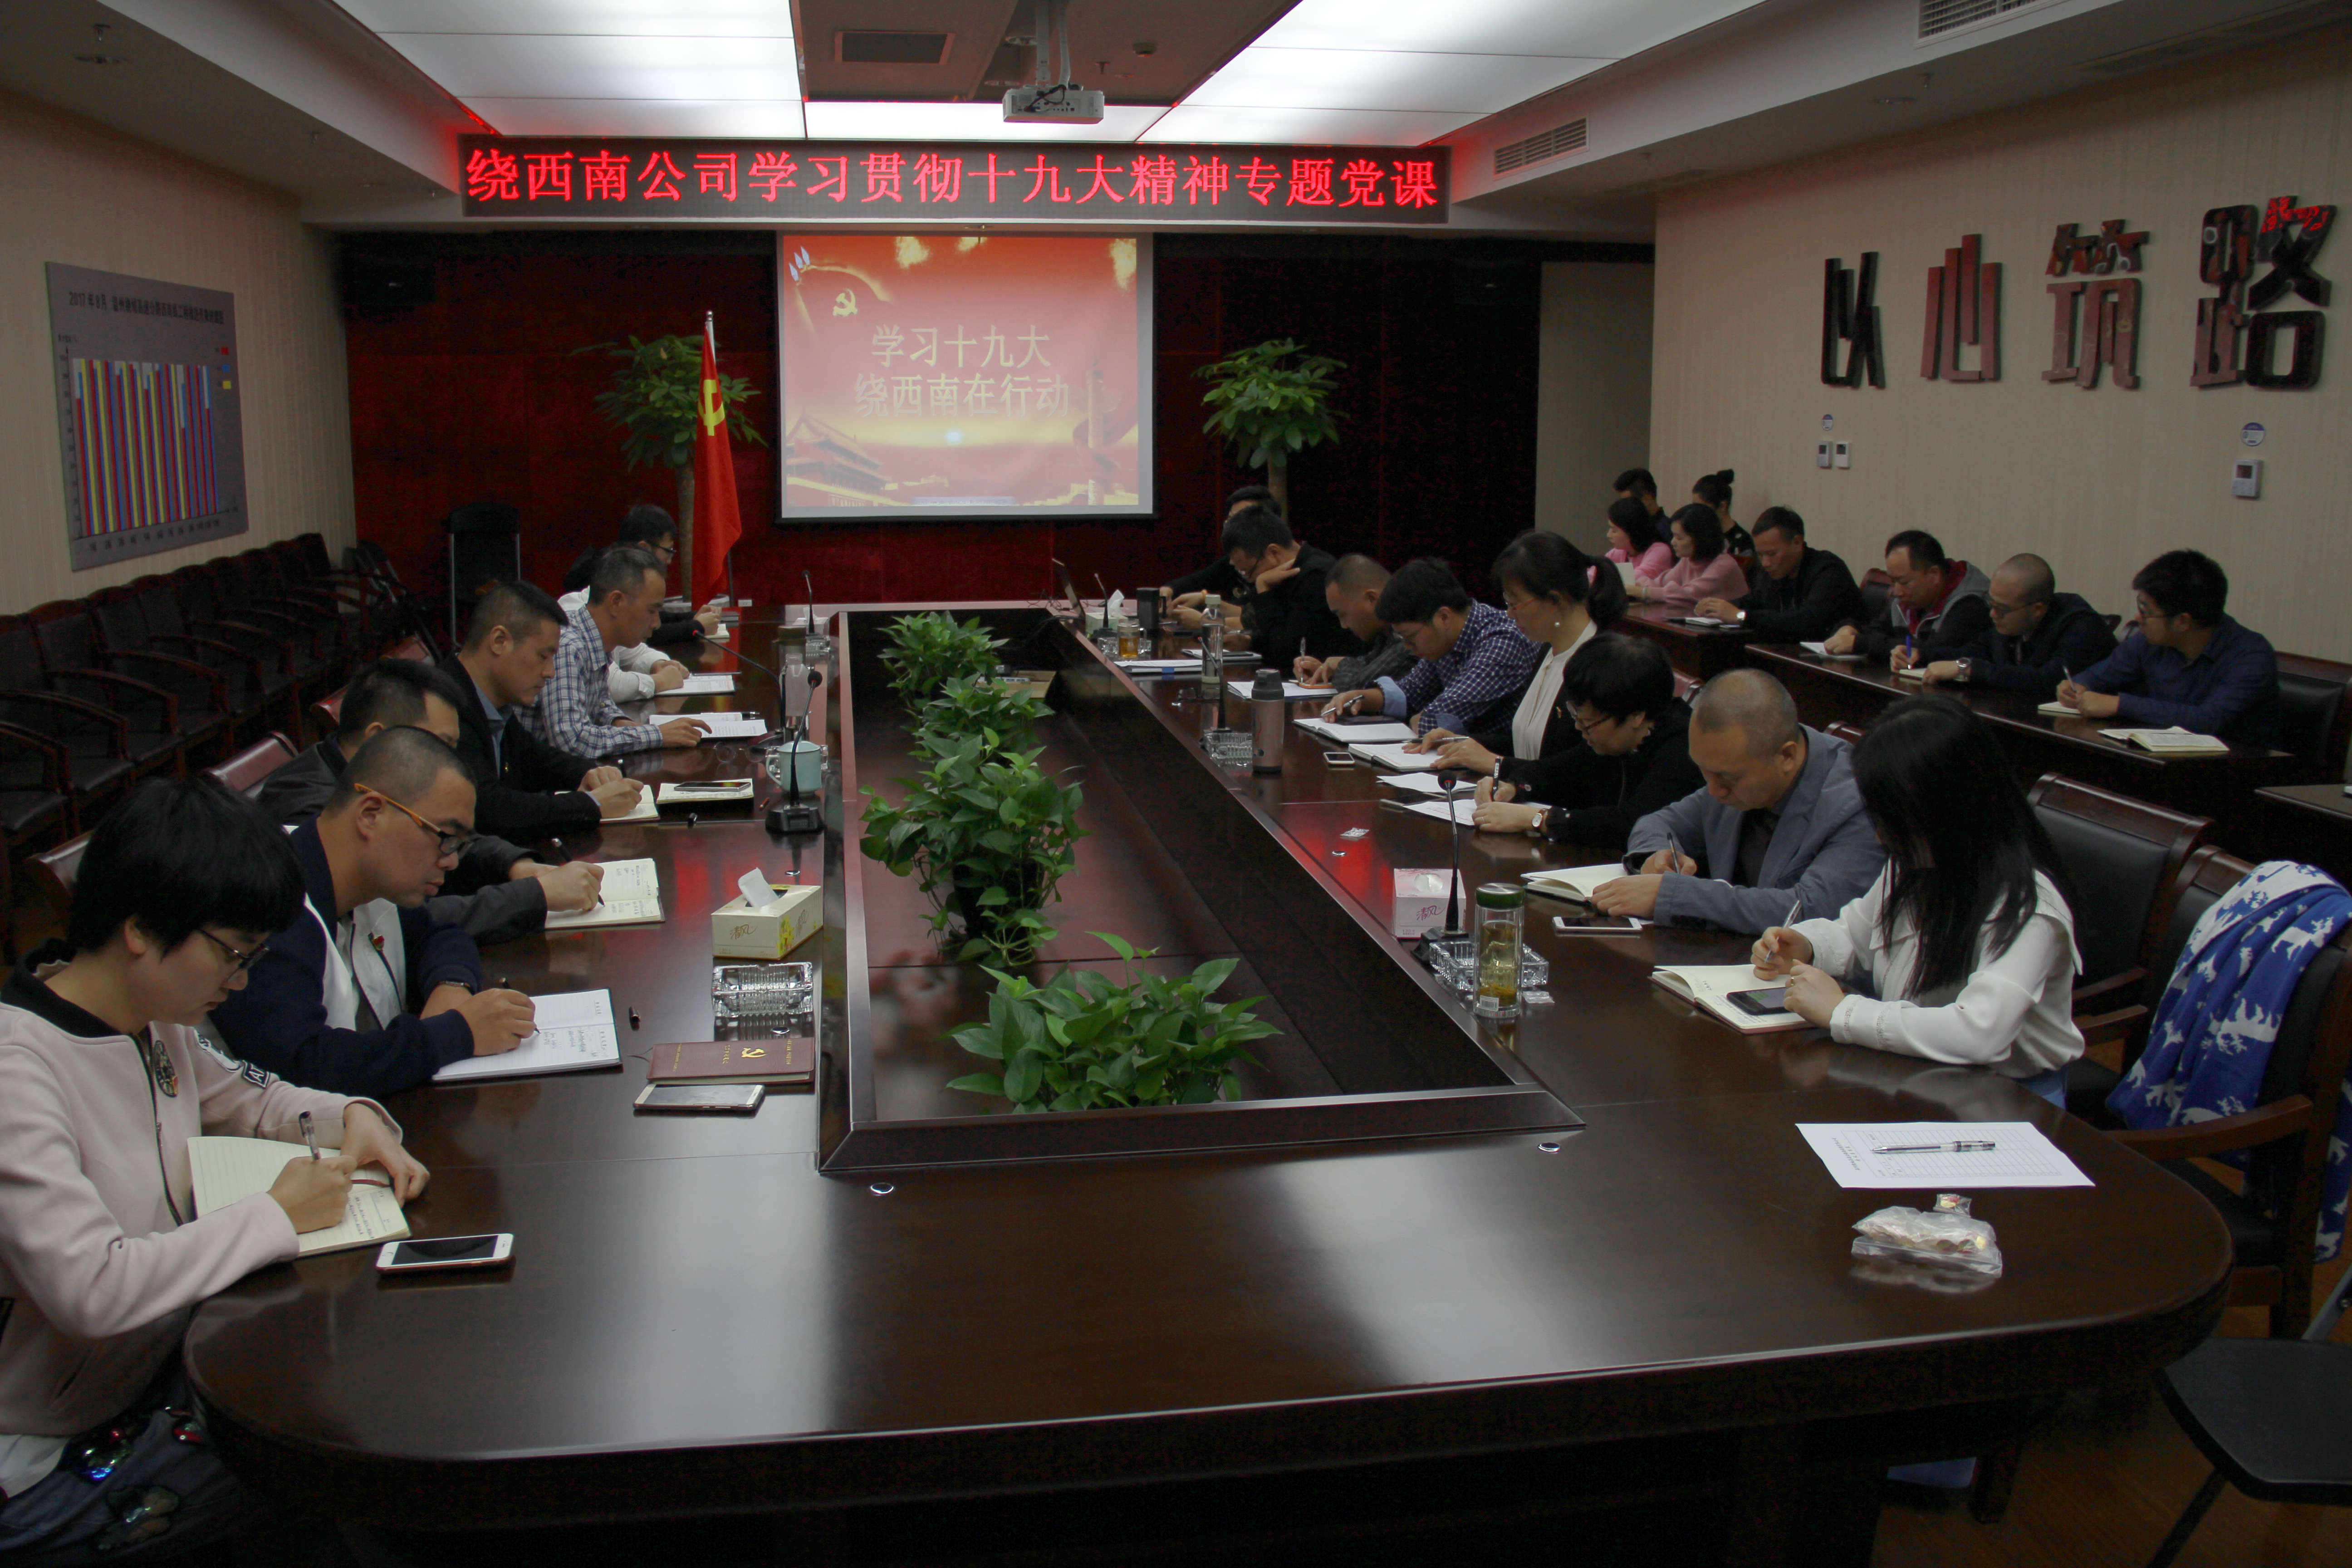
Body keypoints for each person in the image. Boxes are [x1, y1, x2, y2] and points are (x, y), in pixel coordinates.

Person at [0, 778, 429, 1562]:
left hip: (149, 1377)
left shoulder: (152, 1022)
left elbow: (257, 1101)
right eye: (233, 954)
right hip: (42, 1455)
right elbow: (92, 1288)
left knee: (340, 1421)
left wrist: (353, 1116)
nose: (240, 982)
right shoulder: (19, 1072)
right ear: (140, 928)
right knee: (327, 1456)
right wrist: (274, 1216)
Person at [1749, 694, 2084, 1103]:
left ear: (1949, 812)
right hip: (1916, 1074)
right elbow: (1857, 935)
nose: (1881, 836)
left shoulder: (2029, 908)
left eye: (1895, 821)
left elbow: (1980, 1033)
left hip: (2007, 1098)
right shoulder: (1918, 865)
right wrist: (1808, 945)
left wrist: (1844, 1012)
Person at [213, 729, 539, 1098]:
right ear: (371, 814)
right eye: (445, 837)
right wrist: (457, 1033)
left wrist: (452, 986)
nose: (451, 861)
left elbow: (440, 934)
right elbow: (302, 1067)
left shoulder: (372, 879)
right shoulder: (267, 902)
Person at [254, 659, 603, 944]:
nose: (454, 763)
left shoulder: (377, 785)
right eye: (440, 746)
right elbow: (400, 924)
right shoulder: (308, 811)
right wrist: (534, 895)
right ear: (380, 740)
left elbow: (440, 837)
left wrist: (514, 865)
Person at [1597, 668, 1887, 932]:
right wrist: (1657, 857)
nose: (1714, 791)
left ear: (1786, 756)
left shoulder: (1859, 800)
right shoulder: (1732, 769)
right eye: (1704, 771)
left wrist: (1676, 896)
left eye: (1727, 778)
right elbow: (1658, 823)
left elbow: (1808, 910)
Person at [441, 582, 646, 842]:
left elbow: (534, 758)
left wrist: (588, 773)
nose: (550, 672)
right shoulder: (441, 706)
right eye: (543, 656)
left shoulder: (493, 700)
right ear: (499, 642)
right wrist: (591, 805)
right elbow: (487, 808)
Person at [1410, 531, 1626, 775]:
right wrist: (1462, 743)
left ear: (1555, 600)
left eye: (1515, 604)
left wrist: (1498, 765)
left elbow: (1582, 770)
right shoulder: (1547, 650)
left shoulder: (1603, 664)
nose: (1510, 614)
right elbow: (1527, 745)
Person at [1471, 634, 1704, 852]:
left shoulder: (1685, 748)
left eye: (1588, 723)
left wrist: (1539, 820)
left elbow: (1633, 823)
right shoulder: (1613, 736)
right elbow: (1561, 770)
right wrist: (1514, 787)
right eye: (1576, 717)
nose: (1579, 728)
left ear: (1636, 716)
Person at [2056, 549, 2282, 747]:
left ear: (2182, 622)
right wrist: (2076, 687)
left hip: (2234, 767)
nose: (2138, 618)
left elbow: (2209, 720)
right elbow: (2098, 676)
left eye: (2146, 611)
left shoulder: (2251, 656)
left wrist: (2120, 704)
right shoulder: (2149, 642)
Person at [1319, 559, 1542, 736]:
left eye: (1411, 638)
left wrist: (1422, 717)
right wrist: (1360, 698)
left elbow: (1436, 720)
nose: (1408, 647)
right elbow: (1409, 693)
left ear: (1443, 617)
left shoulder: (1502, 641)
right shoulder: (1446, 640)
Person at [529, 546, 710, 760]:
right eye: (652, 611)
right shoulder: (569, 646)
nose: (656, 623)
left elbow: (600, 705)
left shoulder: (597, 641)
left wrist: (621, 723)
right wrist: (657, 735)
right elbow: (572, 741)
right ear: (616, 602)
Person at [1919, 553, 2117, 700]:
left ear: (2037, 609)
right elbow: (1977, 651)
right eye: (1991, 603)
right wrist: (1922, 655)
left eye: (2001, 609)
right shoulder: (2011, 618)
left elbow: (2047, 682)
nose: (1993, 614)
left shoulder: (2081, 627)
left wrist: (1969, 669)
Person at [562, 505, 725, 663]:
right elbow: (643, 632)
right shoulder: (608, 577)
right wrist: (695, 627)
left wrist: (691, 618)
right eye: (669, 551)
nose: (670, 561)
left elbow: (644, 622)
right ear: (644, 548)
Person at [1823, 529, 1990, 668]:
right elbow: (1877, 630)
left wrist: (1860, 643)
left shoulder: (1969, 604)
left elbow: (1935, 650)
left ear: (1934, 575)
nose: (1896, 592)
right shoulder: (1906, 600)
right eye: (1893, 582)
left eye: (1904, 582)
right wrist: (1851, 628)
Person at [1694, 507, 1862, 640]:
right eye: (1760, 555)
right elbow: (1755, 602)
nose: (1765, 563)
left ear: (1797, 543)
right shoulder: (1773, 571)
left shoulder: (1828, 570)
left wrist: (1741, 616)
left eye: (1772, 554)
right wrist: (1717, 608)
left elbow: (1806, 622)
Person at [1221, 505, 1357, 665]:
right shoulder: (1287, 574)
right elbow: (1279, 634)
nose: (1249, 580)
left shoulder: (1316, 577)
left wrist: (1263, 588)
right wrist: (1250, 642)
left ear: (1274, 553)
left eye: (1247, 572)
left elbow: (1286, 654)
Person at [1162, 485, 1276, 629]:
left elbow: (1256, 621)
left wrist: (1204, 619)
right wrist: (1167, 591)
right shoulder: (1234, 561)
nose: (1231, 526)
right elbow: (1197, 580)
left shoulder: (1282, 572)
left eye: (1239, 520)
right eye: (1230, 519)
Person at [1296, 555, 1415, 691]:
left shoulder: (1408, 631)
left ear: (1372, 599)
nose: (1344, 625)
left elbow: (1357, 686)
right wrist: (1327, 670)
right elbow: (1368, 664)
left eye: (1343, 615)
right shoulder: (1386, 632)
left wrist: (1341, 665)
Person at [1627, 505, 1747, 609]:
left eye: (1679, 538)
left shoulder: (1724, 565)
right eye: (1673, 536)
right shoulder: (1688, 559)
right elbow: (1661, 584)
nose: (1673, 542)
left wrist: (1644, 592)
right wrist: (1638, 587)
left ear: (1701, 539)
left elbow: (1687, 595)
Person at [1602, 497, 1672, 584]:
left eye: (1614, 531)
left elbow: (1636, 577)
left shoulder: (1660, 551)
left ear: (1631, 530)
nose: (1609, 535)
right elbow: (1595, 573)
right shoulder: (1618, 552)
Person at [1692, 469, 1754, 557]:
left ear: (1723, 506)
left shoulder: (1743, 542)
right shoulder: (1700, 537)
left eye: (1702, 508)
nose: (1696, 513)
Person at [1613, 467, 1668, 547]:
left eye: (1629, 503)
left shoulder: (1666, 534)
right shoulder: (1633, 532)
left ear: (1646, 500)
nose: (1624, 508)